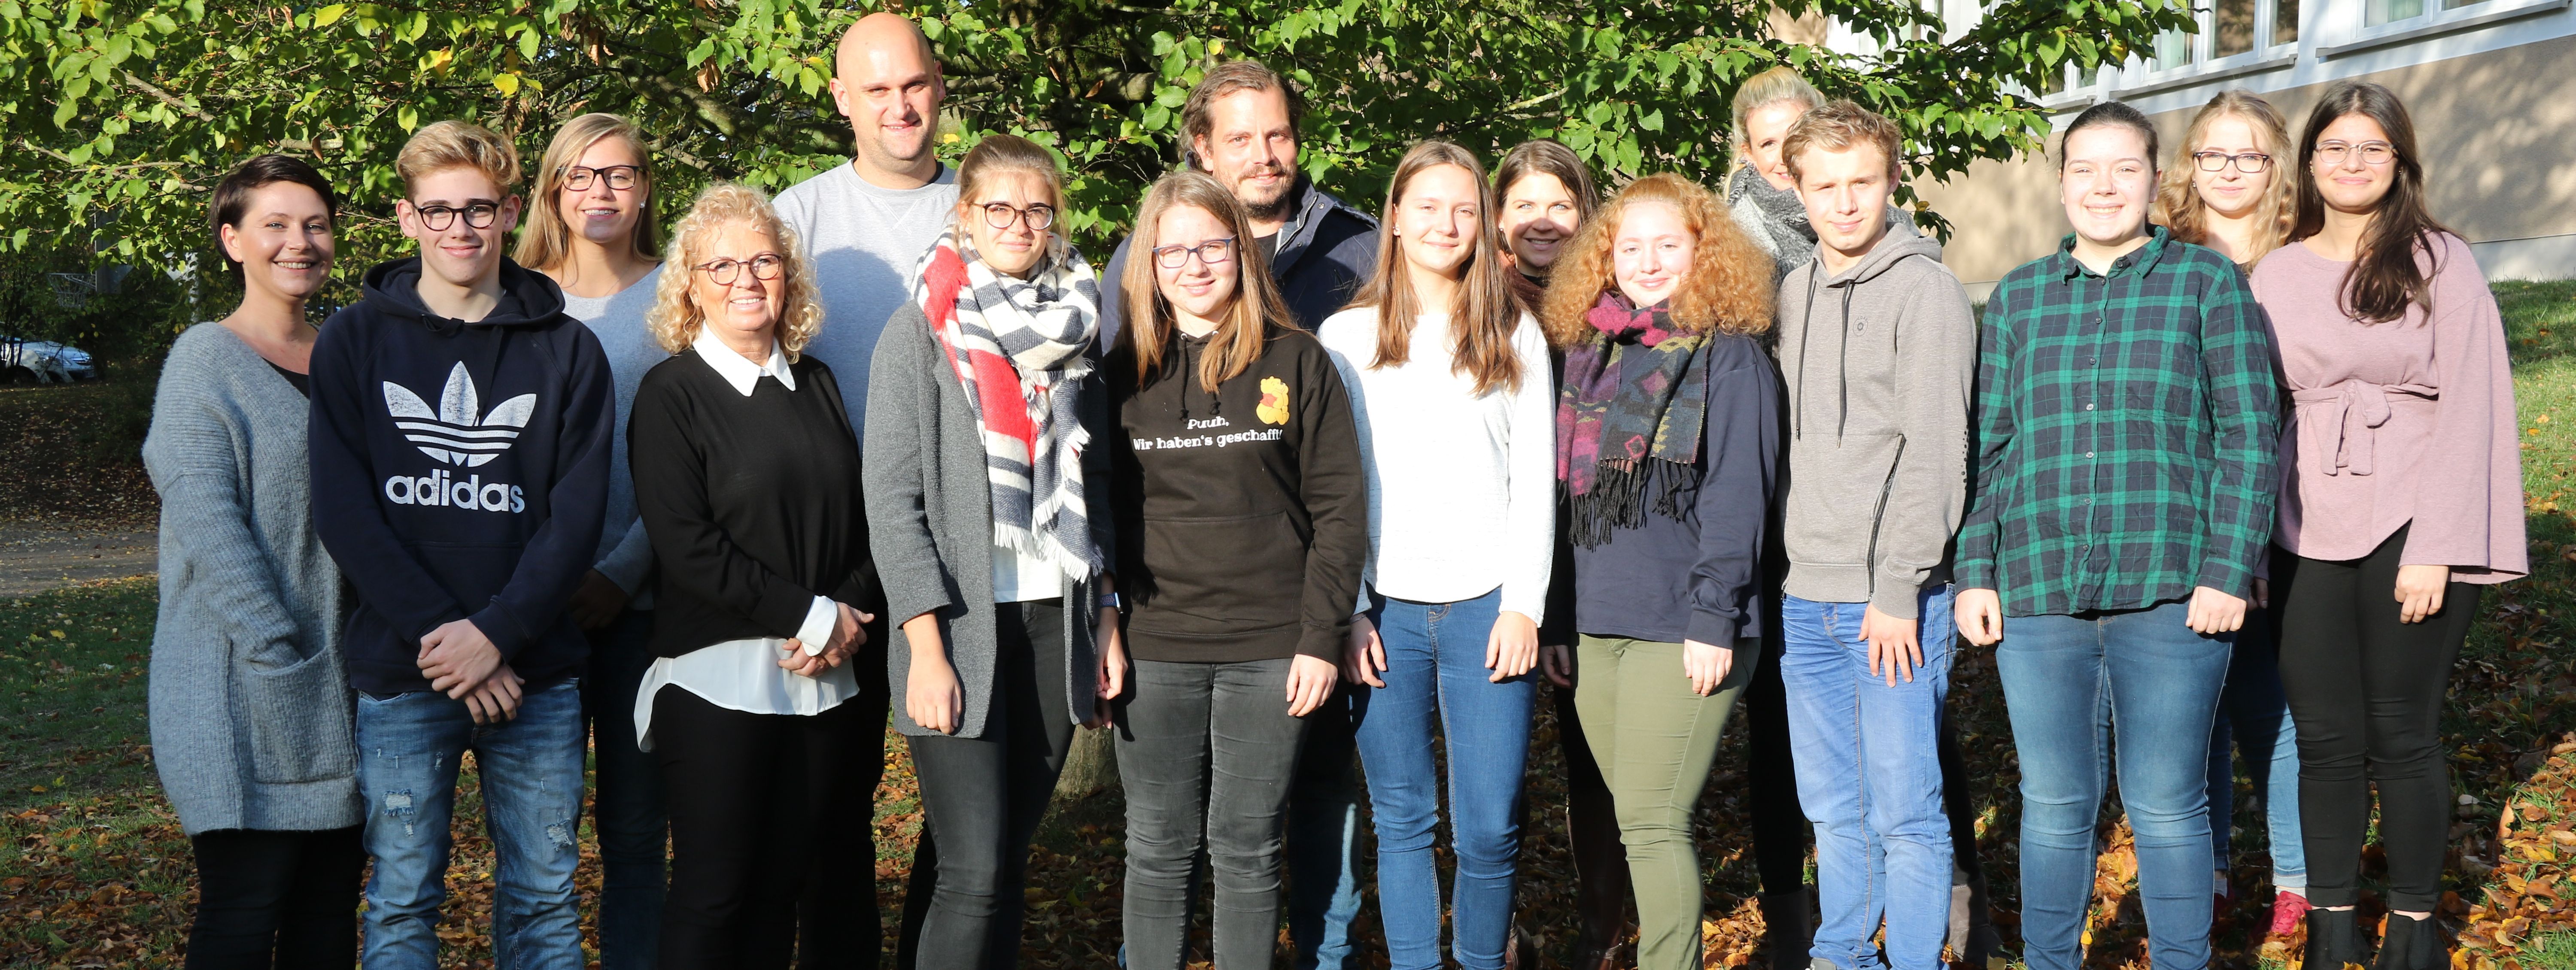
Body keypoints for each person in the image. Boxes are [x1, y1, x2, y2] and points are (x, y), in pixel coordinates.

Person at [1953, 101, 2280, 970]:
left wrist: (2228, 564)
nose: (2104, 187)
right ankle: (2051, 960)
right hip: (2039, 591)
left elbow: (2250, 433)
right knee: (2055, 800)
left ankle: (2182, 957)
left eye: (2124, 168)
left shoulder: (2208, 283)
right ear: (2061, 184)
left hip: (2173, 589)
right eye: (2085, 170)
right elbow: (1995, 446)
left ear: (2152, 176)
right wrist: (1974, 570)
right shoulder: (2019, 298)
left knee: (2168, 801)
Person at [306, 120, 614, 970]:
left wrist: (499, 634)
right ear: (406, 219)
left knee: (546, 901)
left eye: (479, 208)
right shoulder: (354, 341)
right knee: (403, 902)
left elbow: (575, 518)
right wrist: (452, 637)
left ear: (512, 211)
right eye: (438, 211)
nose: (461, 229)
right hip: (406, 671)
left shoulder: (568, 350)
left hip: (537, 673)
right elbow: (346, 512)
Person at [1097, 59, 1380, 968]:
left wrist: (1317, 632)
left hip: (1272, 646)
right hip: (1157, 643)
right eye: (1174, 250)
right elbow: (1097, 509)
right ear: (1150, 261)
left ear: (1241, 253)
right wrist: (1103, 619)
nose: (1194, 264)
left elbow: (1340, 507)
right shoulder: (1118, 375)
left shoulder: (1300, 364)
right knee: (1158, 848)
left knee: (1249, 848)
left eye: (1212, 247)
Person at [2254, 81, 2527, 970]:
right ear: (2311, 162)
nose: (2352, 163)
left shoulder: (2438, 259)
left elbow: (2474, 406)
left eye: (2372, 149)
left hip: (2412, 519)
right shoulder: (2278, 270)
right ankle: (2331, 928)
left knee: (2400, 733)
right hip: (2305, 523)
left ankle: (2414, 927)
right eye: (2335, 148)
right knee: (2327, 741)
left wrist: (2439, 545)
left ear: (2401, 162)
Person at [863, 134, 1124, 970]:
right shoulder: (920, 331)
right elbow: (893, 503)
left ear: (1054, 218)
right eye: (999, 207)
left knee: (1007, 860)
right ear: (966, 215)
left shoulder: (1080, 333)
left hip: (1055, 622)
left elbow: (1100, 489)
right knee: (972, 867)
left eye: (1036, 208)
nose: (1019, 222)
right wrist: (925, 648)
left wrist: (1107, 616)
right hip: (960, 632)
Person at [626, 182, 877, 967]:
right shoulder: (671, 395)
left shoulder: (820, 382)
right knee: (715, 893)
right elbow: (686, 544)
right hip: (717, 681)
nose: (746, 279)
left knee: (788, 885)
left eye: (764, 260)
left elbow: (866, 521)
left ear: (789, 274)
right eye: (722, 264)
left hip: (827, 672)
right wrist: (812, 616)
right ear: (691, 284)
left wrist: (850, 614)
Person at [1317, 139, 1553, 970]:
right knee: (1403, 820)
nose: (1446, 224)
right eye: (1427, 206)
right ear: (1394, 218)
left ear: (1485, 224)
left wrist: (1526, 603)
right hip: (1383, 609)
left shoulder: (1514, 331)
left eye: (1464, 209)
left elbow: (1535, 480)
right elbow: (1329, 489)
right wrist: (1344, 613)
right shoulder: (1343, 336)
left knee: (1489, 824)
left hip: (1489, 605)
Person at [1540, 173, 1780, 970]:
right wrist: (1561, 621)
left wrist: (1716, 619)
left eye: (1668, 245)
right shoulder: (1589, 353)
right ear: (1604, 257)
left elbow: (1741, 498)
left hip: (1686, 627)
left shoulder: (1732, 358)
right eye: (1630, 246)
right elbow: (1567, 503)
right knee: (1627, 813)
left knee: (1650, 819)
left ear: (1703, 253)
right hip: (1597, 625)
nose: (1647, 261)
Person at [1770, 101, 1976, 970]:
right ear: (1798, 190)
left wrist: (1898, 589)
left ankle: (1917, 958)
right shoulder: (1793, 288)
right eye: (1825, 186)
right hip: (1803, 599)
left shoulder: (1926, 289)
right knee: (1833, 809)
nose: (1845, 203)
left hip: (1891, 602)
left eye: (1862, 182)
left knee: (1907, 810)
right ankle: (1841, 953)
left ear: (1893, 180)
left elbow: (1937, 454)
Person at [146, 154, 365, 970]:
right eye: (274, 225)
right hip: (242, 688)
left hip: (345, 689)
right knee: (245, 912)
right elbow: (204, 513)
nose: (298, 243)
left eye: (314, 224)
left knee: (328, 918)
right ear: (232, 240)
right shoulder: (206, 358)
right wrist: (279, 645)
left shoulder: (347, 354)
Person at [771, 11, 948, 953]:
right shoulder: (797, 218)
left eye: (912, 84)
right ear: (841, 98)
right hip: (833, 548)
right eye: (875, 89)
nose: (898, 105)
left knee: (963, 795)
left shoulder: (986, 210)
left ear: (940, 85)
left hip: (960, 542)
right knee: (828, 802)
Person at [2151, 89, 2312, 939]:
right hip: (2189, 510)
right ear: (2191, 165)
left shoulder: (2305, 256)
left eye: (2247, 155)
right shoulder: (2165, 256)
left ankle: (2294, 876)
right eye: (2212, 153)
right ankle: (2205, 871)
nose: (2228, 170)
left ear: (2274, 165)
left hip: (2292, 511)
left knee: (2269, 700)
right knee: (2197, 706)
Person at [514, 111, 669, 970]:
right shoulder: (513, 297)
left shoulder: (681, 292)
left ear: (644, 188)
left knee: (637, 830)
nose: (600, 191)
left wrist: (622, 568)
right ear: (552, 190)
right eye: (580, 174)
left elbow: (699, 459)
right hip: (535, 609)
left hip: (646, 602)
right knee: (540, 835)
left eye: (618, 174)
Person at [1494, 139, 1631, 970]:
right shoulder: (1474, 310)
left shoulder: (1618, 315)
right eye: (1525, 205)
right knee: (1493, 771)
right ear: (1500, 219)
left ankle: (1601, 932)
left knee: (1597, 764)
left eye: (1560, 204)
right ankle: (1498, 930)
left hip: (1595, 567)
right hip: (1495, 570)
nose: (1543, 220)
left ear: (1586, 217)